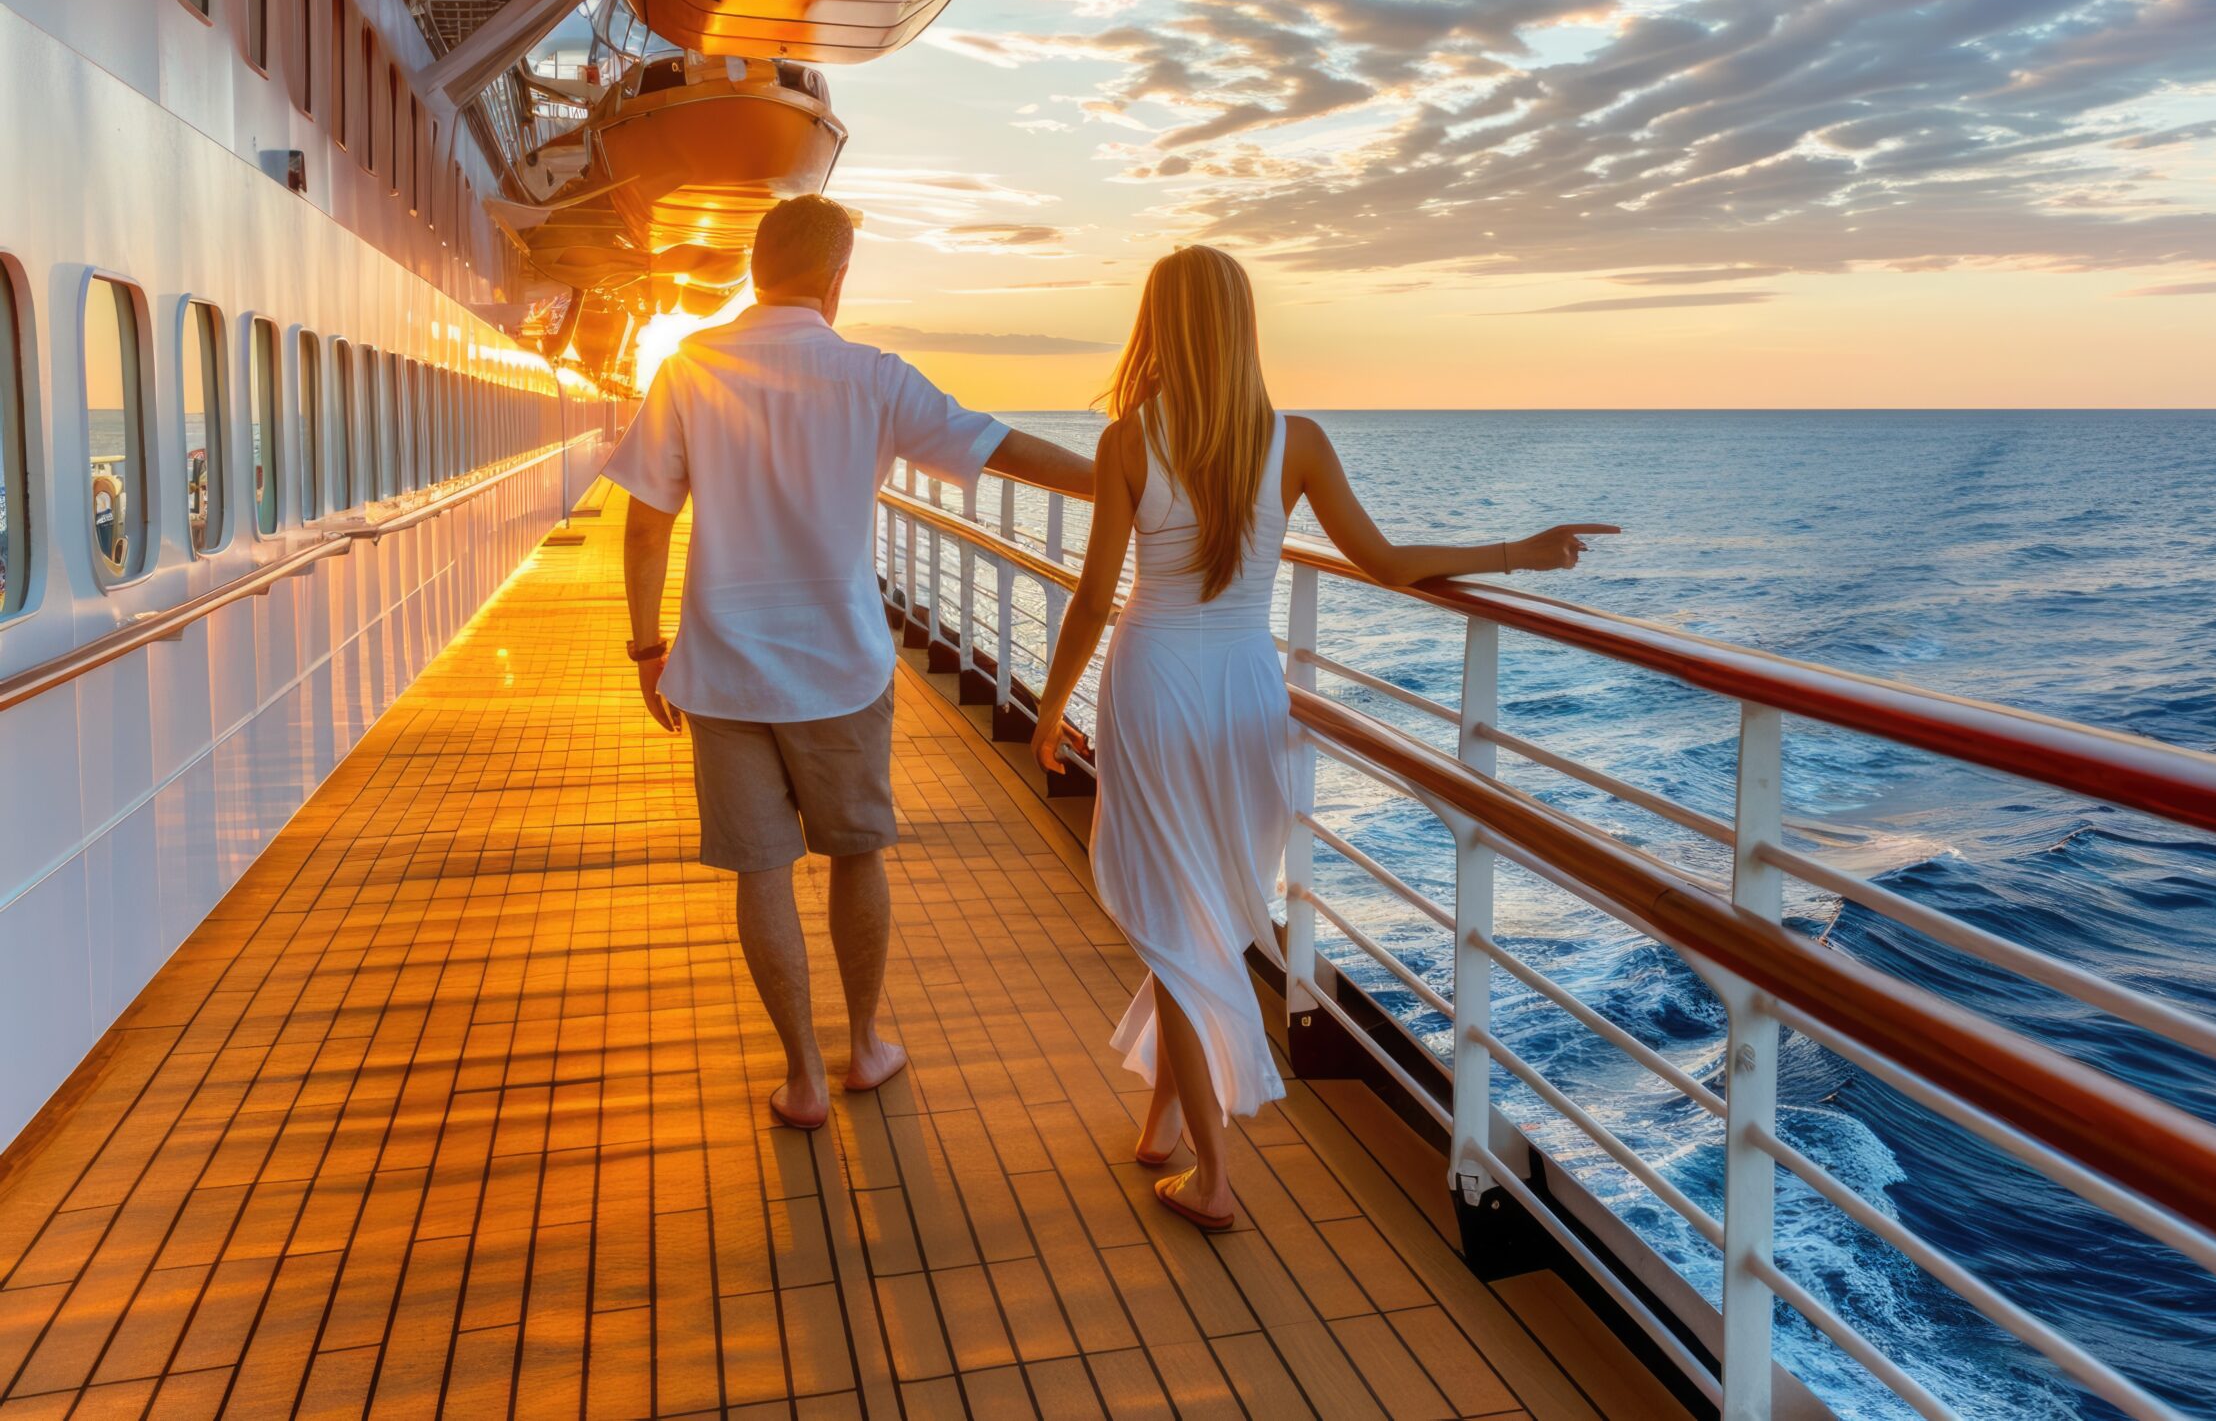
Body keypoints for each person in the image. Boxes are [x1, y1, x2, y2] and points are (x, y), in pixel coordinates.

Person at [1031, 245, 1612, 1230]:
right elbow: (1384, 561)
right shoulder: (1291, 441)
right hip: (1245, 687)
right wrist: (1520, 553)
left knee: (1179, 913)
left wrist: (1051, 706)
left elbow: (1093, 599)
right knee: (1207, 898)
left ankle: (1212, 1179)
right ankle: (1162, 1120)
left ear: (1157, 326)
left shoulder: (1130, 440)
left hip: (1156, 680)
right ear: (1242, 326)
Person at [607, 194, 1093, 1131]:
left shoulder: (690, 365)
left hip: (721, 669)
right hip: (841, 666)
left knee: (762, 872)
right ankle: (864, 1043)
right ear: (837, 279)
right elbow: (1001, 445)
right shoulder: (872, 376)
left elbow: (644, 523)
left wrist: (645, 645)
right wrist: (1127, 474)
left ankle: (802, 1075)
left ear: (755, 269)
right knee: (856, 853)